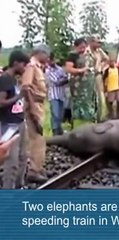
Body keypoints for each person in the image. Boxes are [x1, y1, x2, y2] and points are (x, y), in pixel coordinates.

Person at [21, 44, 50, 183]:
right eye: (47, 55)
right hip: (34, 105)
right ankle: (33, 170)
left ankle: (38, 167)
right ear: (41, 53)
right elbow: (26, 88)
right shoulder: (31, 66)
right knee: (36, 138)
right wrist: (32, 109)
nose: (48, 58)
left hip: (39, 104)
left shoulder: (38, 66)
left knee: (40, 138)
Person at [0, 50, 29, 187]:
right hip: (9, 124)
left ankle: (19, 187)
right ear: (16, 63)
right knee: (11, 162)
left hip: (19, 122)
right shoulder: (5, 79)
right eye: (24, 64)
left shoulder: (14, 80)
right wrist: (19, 96)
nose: (25, 68)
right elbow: (1, 102)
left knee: (23, 157)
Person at [64, 38, 95, 126]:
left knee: (88, 104)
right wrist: (80, 70)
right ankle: (78, 122)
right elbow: (68, 69)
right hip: (78, 87)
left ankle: (88, 121)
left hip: (88, 86)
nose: (82, 50)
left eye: (84, 47)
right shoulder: (72, 56)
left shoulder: (88, 55)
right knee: (78, 105)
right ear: (75, 47)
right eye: (80, 47)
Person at [86, 35, 109, 122]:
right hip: (89, 77)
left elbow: (107, 59)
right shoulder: (87, 51)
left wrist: (102, 66)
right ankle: (92, 118)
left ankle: (99, 118)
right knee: (91, 99)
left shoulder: (99, 51)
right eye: (97, 42)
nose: (99, 44)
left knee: (100, 98)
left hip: (98, 76)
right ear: (92, 42)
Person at [46, 52, 68, 135]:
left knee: (60, 115)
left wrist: (64, 79)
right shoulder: (47, 70)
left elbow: (65, 78)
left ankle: (59, 131)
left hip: (61, 95)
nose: (52, 62)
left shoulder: (59, 68)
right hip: (53, 96)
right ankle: (55, 133)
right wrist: (64, 79)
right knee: (55, 115)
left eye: (53, 59)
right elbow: (57, 82)